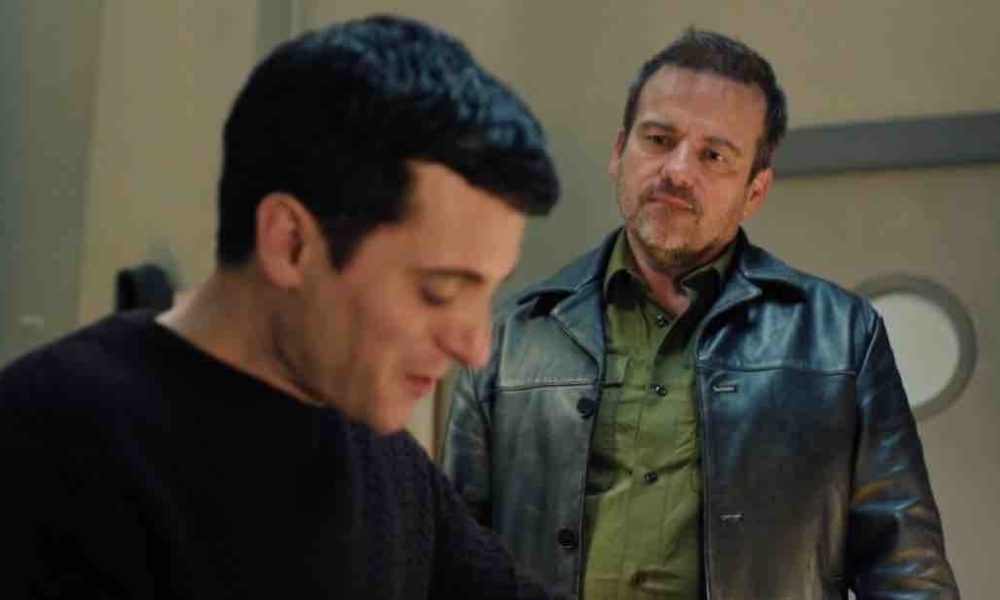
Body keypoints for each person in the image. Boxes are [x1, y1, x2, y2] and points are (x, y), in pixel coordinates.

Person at [0, 15, 561, 599]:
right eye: (439, 291)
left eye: (488, 292)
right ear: (290, 243)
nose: (475, 347)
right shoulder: (55, 448)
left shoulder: (382, 451)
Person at [442, 28, 959, 600]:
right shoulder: (514, 335)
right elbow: (449, 557)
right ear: (619, 152)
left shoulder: (841, 337)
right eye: (658, 139)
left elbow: (907, 573)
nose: (678, 171)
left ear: (754, 190)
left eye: (714, 155)